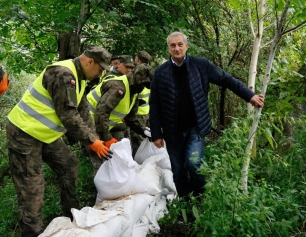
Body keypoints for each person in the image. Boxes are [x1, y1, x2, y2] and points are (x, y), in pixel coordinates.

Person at [6, 46, 113, 237]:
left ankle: (72, 215)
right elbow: (69, 117)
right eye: (99, 70)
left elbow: (82, 111)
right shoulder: (63, 74)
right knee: (32, 187)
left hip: (45, 134)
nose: (99, 75)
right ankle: (33, 232)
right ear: (89, 62)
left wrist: (97, 140)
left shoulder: (78, 79)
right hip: (24, 133)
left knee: (68, 166)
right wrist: (91, 142)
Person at [149, 32, 264, 198]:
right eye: (173, 45)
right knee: (178, 169)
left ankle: (201, 199)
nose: (177, 48)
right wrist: (156, 134)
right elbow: (154, 104)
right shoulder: (160, 73)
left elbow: (226, 79)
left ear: (187, 46)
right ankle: (186, 205)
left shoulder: (200, 65)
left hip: (196, 126)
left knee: (193, 163)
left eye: (180, 44)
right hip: (172, 130)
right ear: (168, 48)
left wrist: (250, 96)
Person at [86, 63, 154, 171]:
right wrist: (107, 138)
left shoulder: (134, 92)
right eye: (143, 85)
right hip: (89, 125)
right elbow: (101, 113)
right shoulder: (118, 87)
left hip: (103, 125)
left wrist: (144, 132)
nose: (143, 89)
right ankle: (102, 186)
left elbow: (130, 118)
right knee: (102, 163)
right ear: (136, 80)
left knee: (118, 162)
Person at [131, 50, 152, 155]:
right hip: (145, 111)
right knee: (141, 136)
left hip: (137, 112)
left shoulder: (138, 73)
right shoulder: (150, 73)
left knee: (136, 138)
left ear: (137, 59)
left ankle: (137, 161)